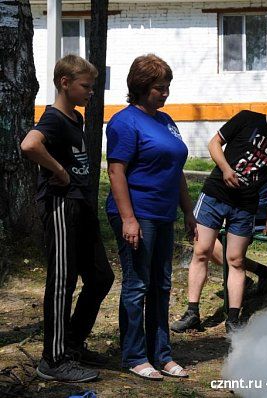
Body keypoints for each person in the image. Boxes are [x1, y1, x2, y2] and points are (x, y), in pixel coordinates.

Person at [176, 93, 267, 333]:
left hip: (245, 205)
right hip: (215, 195)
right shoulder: (247, 119)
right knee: (202, 251)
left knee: (236, 260)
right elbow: (213, 144)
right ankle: (192, 312)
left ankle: (234, 318)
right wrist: (226, 170)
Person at [20, 54, 114, 382]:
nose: (91, 92)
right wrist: (58, 170)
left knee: (101, 277)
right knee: (63, 283)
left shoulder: (75, 118)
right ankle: (54, 360)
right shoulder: (54, 119)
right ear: (65, 83)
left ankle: (72, 343)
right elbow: (30, 145)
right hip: (61, 207)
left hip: (81, 206)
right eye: (85, 86)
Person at [105, 54, 196, 380]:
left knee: (162, 284)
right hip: (136, 213)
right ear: (141, 87)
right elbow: (116, 172)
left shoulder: (166, 120)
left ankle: (162, 354)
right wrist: (129, 219)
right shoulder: (124, 122)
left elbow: (176, 170)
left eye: (168, 86)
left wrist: (188, 211)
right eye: (160, 87)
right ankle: (134, 355)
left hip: (163, 213)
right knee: (138, 284)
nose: (165, 93)